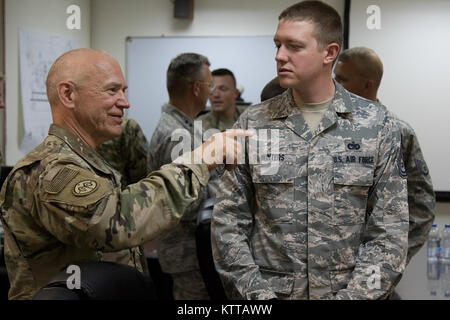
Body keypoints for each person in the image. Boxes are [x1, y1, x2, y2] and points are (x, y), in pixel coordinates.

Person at [0, 48, 250, 300]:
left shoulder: (86, 161)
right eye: (111, 90)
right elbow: (116, 220)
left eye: (123, 91)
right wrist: (200, 160)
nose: (125, 102)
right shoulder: (49, 169)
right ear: (68, 94)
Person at [211, 1, 409, 300]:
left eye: (294, 46)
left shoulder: (377, 125)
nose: (279, 56)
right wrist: (259, 298)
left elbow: (389, 233)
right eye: (277, 45)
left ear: (329, 53)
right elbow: (228, 223)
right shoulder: (254, 123)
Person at [334, 47, 435, 265]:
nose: (334, 85)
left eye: (342, 79)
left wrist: (388, 262)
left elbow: (422, 207)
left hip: (370, 271)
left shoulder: (398, 132)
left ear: (367, 84)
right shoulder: (326, 127)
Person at [147, 52, 214, 300]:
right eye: (209, 84)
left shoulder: (188, 126)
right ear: (196, 88)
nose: (212, 91)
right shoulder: (177, 135)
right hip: (187, 253)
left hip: (193, 250)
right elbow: (186, 203)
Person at [97, 117, 149, 188]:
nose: (125, 105)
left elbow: (141, 176)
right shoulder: (127, 127)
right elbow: (141, 178)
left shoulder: (127, 128)